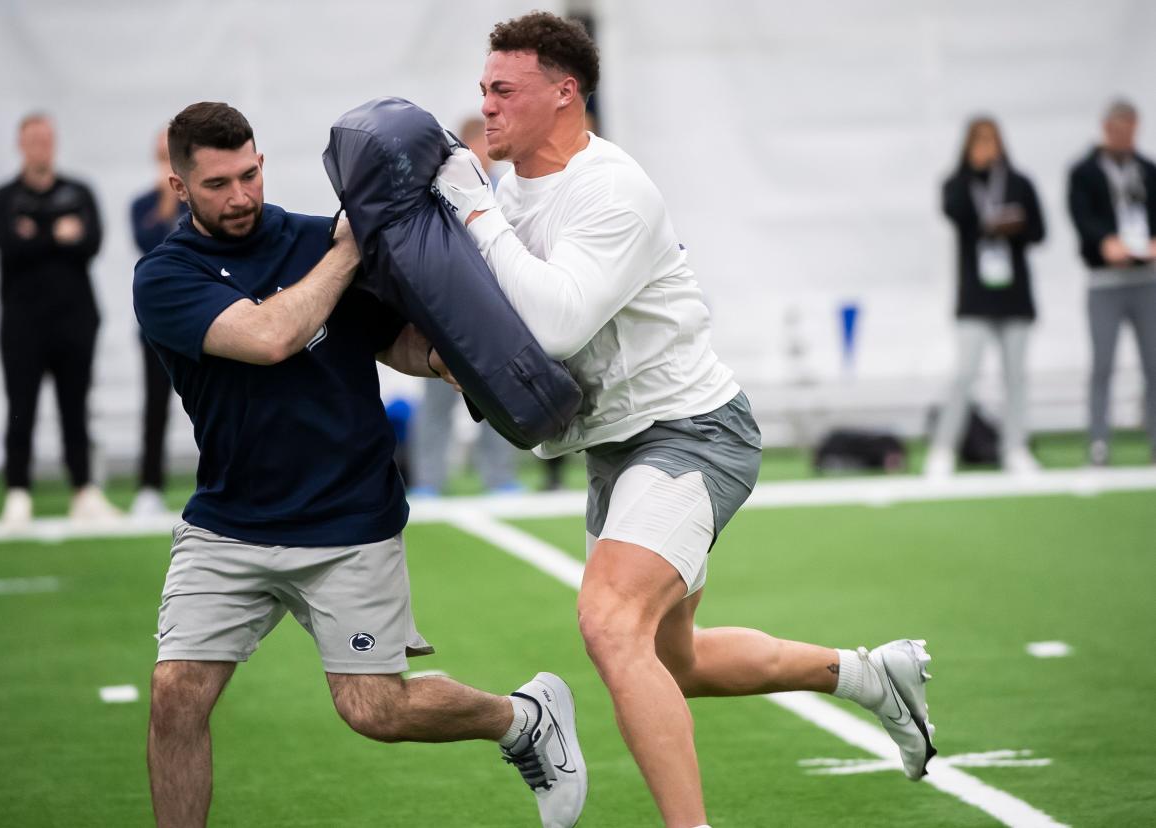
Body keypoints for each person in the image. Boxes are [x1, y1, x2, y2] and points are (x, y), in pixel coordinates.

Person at [432, 13, 935, 827]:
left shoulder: (612, 188)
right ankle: (869, 674)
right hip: (615, 449)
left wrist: (476, 214)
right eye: (483, 90)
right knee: (681, 661)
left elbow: (556, 324)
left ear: (564, 94)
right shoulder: (508, 188)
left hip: (692, 434)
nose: (484, 107)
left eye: (503, 90)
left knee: (607, 621)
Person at [133, 102, 585, 828]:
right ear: (180, 186)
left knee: (375, 709)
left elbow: (392, 342)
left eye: (249, 174)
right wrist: (349, 250)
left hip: (350, 518)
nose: (241, 195)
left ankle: (522, 718)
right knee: (175, 693)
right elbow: (270, 335)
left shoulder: (309, 236)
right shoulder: (165, 278)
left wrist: (453, 362)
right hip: (230, 524)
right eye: (217, 184)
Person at [0, 113, 119, 526]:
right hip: (22, 323)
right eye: (32, 140)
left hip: (75, 320)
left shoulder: (79, 191)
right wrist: (58, 234)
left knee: (75, 406)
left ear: (54, 143)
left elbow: (92, 242)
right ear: (20, 144)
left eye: (46, 139)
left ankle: (84, 491)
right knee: (20, 406)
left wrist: (36, 234)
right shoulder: (3, 198)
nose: (40, 147)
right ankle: (18, 493)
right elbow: (10, 246)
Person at [925, 116, 1046, 477]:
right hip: (975, 297)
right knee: (964, 374)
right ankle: (944, 447)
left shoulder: (1019, 183)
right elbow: (954, 211)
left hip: (1014, 295)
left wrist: (1012, 226)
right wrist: (971, 173)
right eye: (979, 142)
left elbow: (1039, 231)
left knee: (1016, 376)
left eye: (991, 141)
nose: (986, 148)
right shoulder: (957, 183)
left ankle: (1015, 446)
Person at [409, 119, 520, 497]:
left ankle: (500, 477)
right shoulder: (439, 191)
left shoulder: (506, 188)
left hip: (493, 309)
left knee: (498, 399)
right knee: (437, 400)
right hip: (448, 309)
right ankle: (427, 481)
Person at [1068, 98, 1156, 466]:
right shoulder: (1085, 171)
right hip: (1104, 280)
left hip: (1146, 278)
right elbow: (1081, 215)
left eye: (1130, 129)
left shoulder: (1147, 169)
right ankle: (1099, 440)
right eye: (1118, 129)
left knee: (1153, 362)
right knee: (1103, 363)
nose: (1124, 136)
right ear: (1106, 129)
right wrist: (1104, 241)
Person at [129, 128, 189, 516]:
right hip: (157, 325)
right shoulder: (144, 204)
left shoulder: (201, 199)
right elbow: (148, 243)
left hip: (203, 319)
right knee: (154, 406)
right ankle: (150, 486)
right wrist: (167, 201)